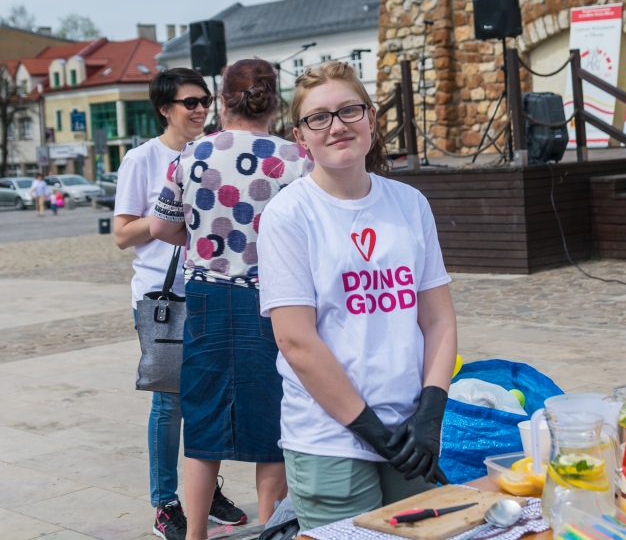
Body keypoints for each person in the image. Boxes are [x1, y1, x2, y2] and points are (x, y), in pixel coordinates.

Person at [257, 62, 458, 531]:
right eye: (319, 118)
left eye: (349, 110)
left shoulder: (410, 203)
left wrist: (430, 414)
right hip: (330, 439)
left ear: (371, 117)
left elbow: (438, 321)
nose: (337, 126)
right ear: (300, 137)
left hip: (408, 433)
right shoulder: (289, 215)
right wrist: (371, 430)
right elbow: (296, 342)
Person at [151, 59, 313, 540]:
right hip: (275, 299)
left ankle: (195, 534)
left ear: (223, 100)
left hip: (206, 298)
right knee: (273, 423)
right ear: (274, 102)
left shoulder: (192, 154)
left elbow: (160, 227)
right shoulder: (297, 159)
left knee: (203, 420)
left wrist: (201, 238)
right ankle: (270, 530)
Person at [115, 68, 246, 540]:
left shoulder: (213, 151)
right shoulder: (142, 159)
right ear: (164, 109)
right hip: (163, 298)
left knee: (210, 400)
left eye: (204, 100)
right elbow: (121, 234)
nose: (200, 109)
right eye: (189, 102)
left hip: (214, 291)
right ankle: (165, 503)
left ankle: (204, 494)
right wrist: (170, 214)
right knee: (169, 403)